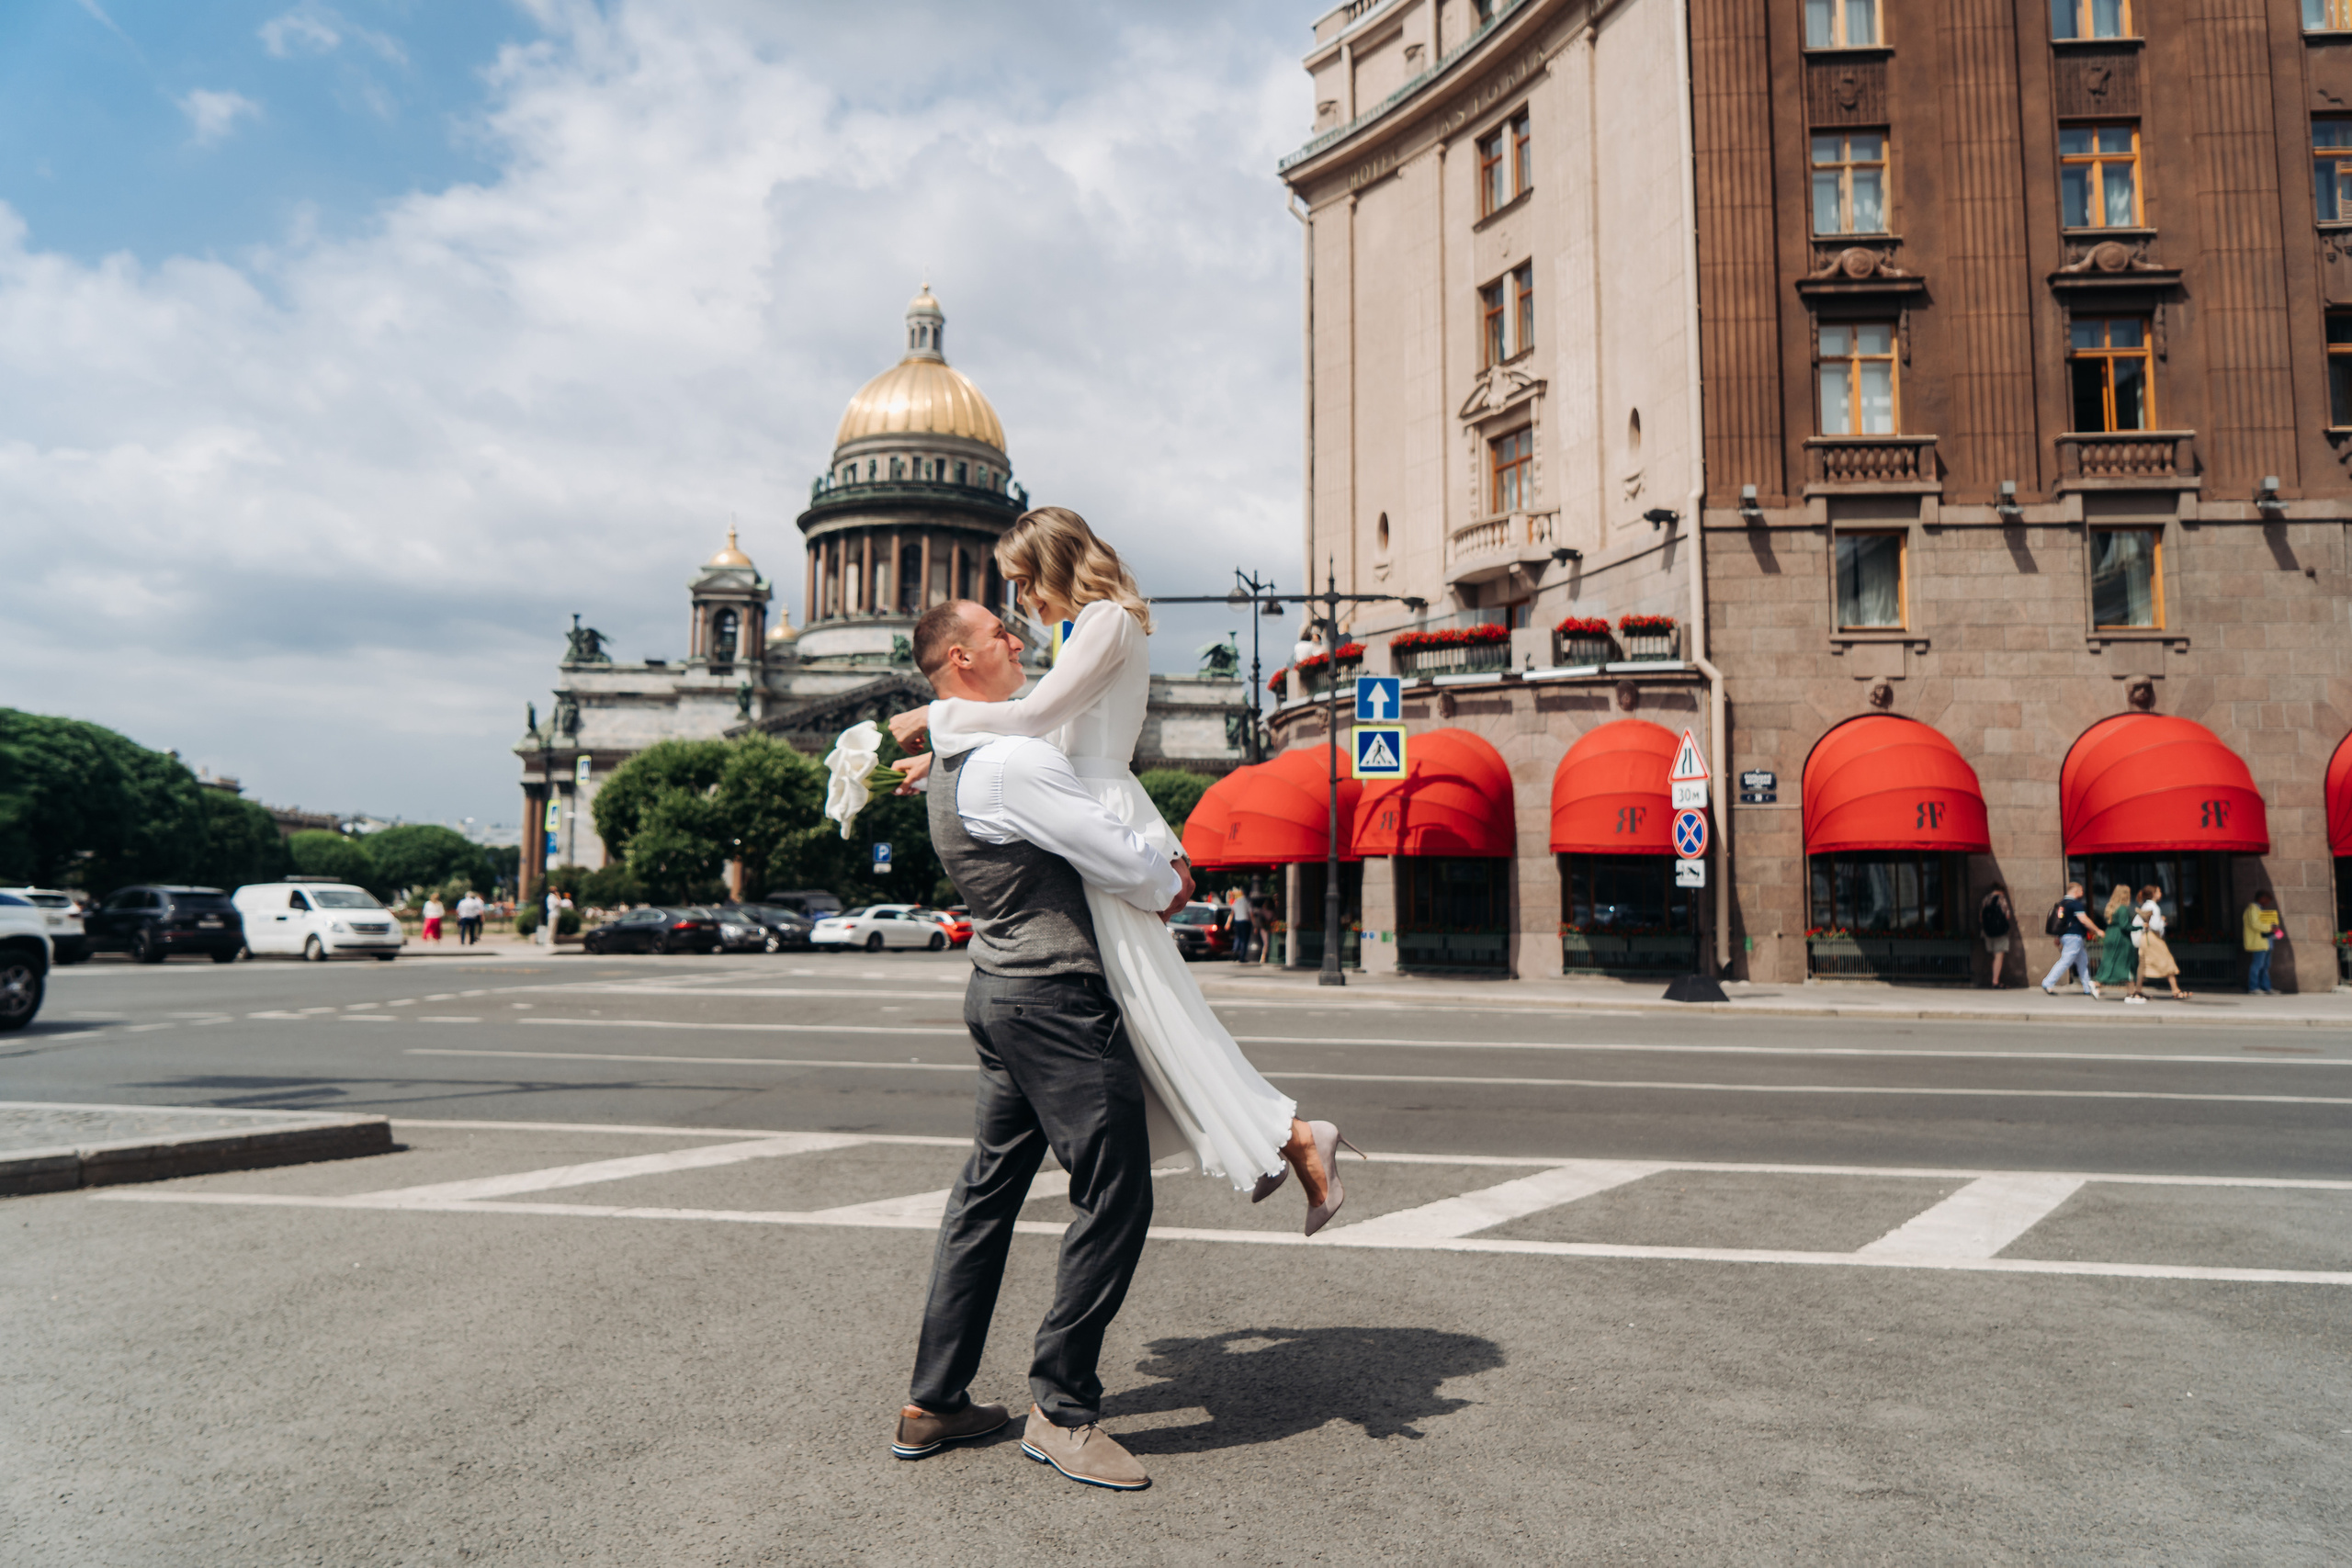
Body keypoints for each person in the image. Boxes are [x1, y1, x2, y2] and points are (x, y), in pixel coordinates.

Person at [890, 508, 1358, 1235]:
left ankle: (1294, 1135)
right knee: (1145, 1009)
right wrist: (937, 764)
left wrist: (938, 718)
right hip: (1085, 802)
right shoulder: (1088, 626)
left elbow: (1033, 714)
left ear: (1054, 563)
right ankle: (1269, 1140)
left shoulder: (1105, 619)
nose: (1021, 604)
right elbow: (1038, 724)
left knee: (1154, 1004)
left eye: (1023, 581)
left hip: (1098, 810)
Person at [889, 592, 1198, 1492]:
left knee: (985, 1199)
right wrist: (1165, 871)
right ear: (958, 661)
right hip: (1057, 1003)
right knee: (1116, 1200)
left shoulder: (951, 761)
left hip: (999, 992)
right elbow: (1119, 859)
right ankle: (1061, 1412)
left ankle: (936, 1399)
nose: (1017, 639)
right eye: (997, 632)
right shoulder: (1011, 761)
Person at [2040, 880, 2103, 998]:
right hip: (2074, 936)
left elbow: (2060, 922)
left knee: (2082, 961)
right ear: (2076, 890)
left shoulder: (2062, 904)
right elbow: (2084, 919)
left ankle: (2087, 987)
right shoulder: (2075, 904)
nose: (2083, 892)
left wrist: (2058, 937)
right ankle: (2048, 982)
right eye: (2081, 890)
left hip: (2066, 935)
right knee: (2066, 960)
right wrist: (2097, 930)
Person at [2135, 885, 2191, 1000]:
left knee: (2143, 964)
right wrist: (2163, 921)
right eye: (2159, 891)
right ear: (2154, 894)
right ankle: (2176, 990)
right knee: (2167, 961)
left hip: (2145, 937)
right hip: (2153, 938)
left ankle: (2138, 991)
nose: (2161, 893)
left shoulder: (2146, 906)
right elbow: (2155, 925)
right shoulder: (2154, 907)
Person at [2092, 885, 2138, 992]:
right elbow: (2125, 926)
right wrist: (2140, 927)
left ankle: (2098, 984)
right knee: (2127, 962)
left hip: (2111, 935)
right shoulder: (2122, 909)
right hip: (2121, 938)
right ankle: (2131, 993)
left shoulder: (2112, 908)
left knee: (2110, 961)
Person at [2243, 890, 2281, 994]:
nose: (2267, 902)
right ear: (2261, 898)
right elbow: (2255, 924)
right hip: (2258, 942)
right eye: (2267, 900)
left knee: (2265, 966)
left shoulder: (2259, 909)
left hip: (2266, 942)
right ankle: (2254, 987)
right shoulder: (2252, 910)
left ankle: (2266, 987)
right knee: (2257, 965)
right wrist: (2270, 928)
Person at [1978, 885, 2016, 987]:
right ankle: (1995, 981)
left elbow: (1981, 917)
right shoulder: (2001, 899)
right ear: (2001, 890)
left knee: (1993, 956)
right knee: (1999, 956)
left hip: (1987, 931)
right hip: (2000, 932)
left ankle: (1991, 979)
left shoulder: (1985, 899)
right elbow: (2007, 915)